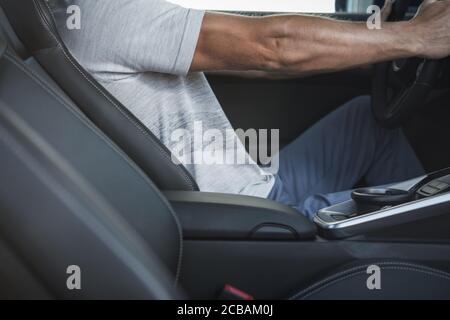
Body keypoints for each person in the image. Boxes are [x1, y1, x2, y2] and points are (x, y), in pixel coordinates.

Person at [51, 0, 450, 219]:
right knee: (430, 211)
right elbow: (273, 48)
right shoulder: (105, 15)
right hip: (249, 213)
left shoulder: (73, 20)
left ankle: (413, 227)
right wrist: (418, 36)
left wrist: (377, 45)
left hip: (255, 185)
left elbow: (253, 61)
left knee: (366, 120)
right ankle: (414, 239)